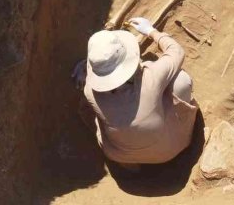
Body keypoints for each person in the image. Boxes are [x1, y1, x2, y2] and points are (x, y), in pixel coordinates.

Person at [74, 17, 198, 168]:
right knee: (181, 80)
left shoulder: (89, 91)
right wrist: (150, 31)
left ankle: (130, 166)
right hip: (170, 150)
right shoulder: (151, 77)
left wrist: (88, 71)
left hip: (119, 155)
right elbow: (176, 51)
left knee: (96, 115)